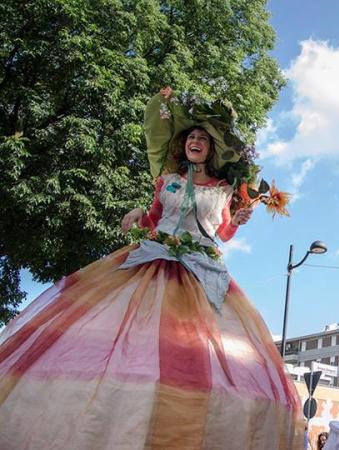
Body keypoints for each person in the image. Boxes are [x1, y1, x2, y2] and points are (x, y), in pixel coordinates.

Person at [0, 88, 304, 449]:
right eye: (191, 136)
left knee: (194, 351)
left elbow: (222, 232)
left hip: (199, 268)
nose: (195, 141)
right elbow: (154, 217)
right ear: (183, 144)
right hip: (151, 259)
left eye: (202, 138)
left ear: (210, 149)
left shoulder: (223, 189)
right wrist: (137, 215)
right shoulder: (168, 181)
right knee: (124, 339)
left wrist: (237, 219)